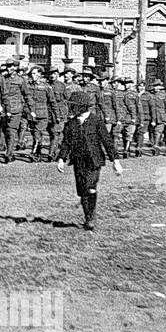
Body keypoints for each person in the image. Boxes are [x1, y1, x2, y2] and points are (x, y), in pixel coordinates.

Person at [56, 89, 123, 230]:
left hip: (94, 161)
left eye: (73, 105)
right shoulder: (71, 123)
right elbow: (66, 143)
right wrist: (61, 158)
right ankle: (87, 216)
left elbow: (107, 141)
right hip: (78, 161)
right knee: (82, 191)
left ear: (82, 106)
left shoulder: (96, 121)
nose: (71, 108)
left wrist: (115, 161)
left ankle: (91, 218)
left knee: (90, 188)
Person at [0, 60, 26, 163]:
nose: (9, 68)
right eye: (8, 66)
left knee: (12, 131)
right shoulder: (3, 79)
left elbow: (26, 95)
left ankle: (8, 154)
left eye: (11, 66)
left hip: (16, 109)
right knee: (5, 131)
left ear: (15, 67)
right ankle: (10, 151)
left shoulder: (21, 80)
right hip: (5, 109)